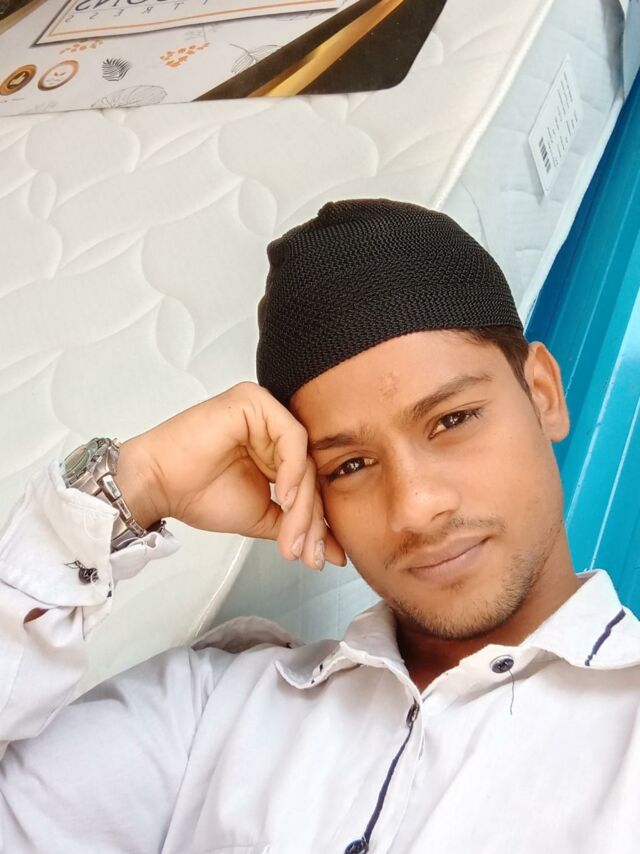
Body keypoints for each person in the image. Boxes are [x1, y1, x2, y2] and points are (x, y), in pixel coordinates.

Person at [1, 199, 639, 854]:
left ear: (543, 393)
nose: (415, 506)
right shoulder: (207, 710)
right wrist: (131, 488)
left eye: (452, 420)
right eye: (351, 465)